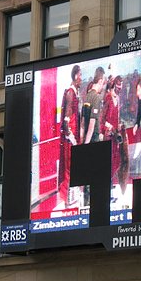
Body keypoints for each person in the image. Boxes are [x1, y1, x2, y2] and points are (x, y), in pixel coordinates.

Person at [58, 64, 82, 207]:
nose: (81, 79)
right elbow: (66, 122)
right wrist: (72, 138)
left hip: (72, 138)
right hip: (70, 139)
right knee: (69, 168)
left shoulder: (74, 93)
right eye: (80, 75)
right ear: (75, 76)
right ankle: (67, 200)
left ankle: (70, 199)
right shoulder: (70, 93)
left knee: (72, 168)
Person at [100, 75, 123, 180]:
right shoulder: (108, 97)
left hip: (115, 136)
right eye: (118, 86)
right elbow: (102, 119)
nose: (120, 89)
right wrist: (110, 127)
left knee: (115, 160)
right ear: (114, 86)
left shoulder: (117, 98)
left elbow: (116, 117)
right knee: (108, 162)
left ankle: (110, 186)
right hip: (108, 135)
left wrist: (118, 126)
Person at [81, 66, 106, 144]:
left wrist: (82, 140)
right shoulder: (96, 98)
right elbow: (92, 124)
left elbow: (82, 122)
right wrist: (86, 143)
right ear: (100, 81)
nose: (103, 86)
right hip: (93, 140)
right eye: (103, 83)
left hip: (85, 137)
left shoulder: (87, 96)